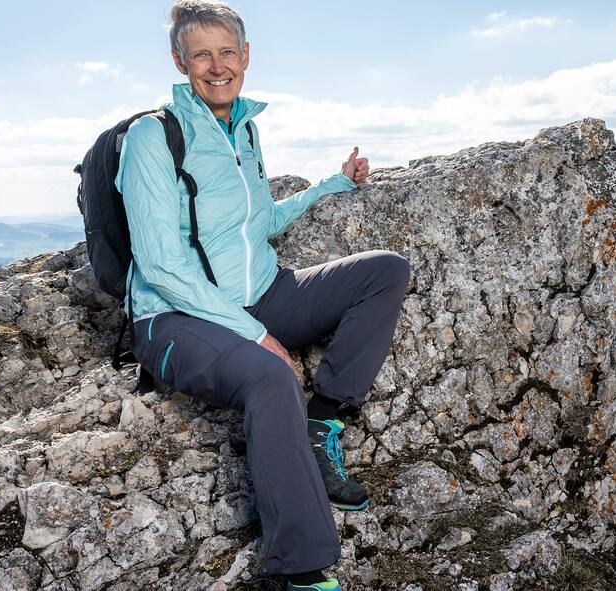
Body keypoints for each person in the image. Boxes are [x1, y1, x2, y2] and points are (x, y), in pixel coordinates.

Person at [115, 1, 410, 588]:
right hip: (177, 315)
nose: (217, 65)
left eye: (227, 52)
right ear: (180, 60)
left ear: (246, 57)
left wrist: (330, 186)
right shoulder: (153, 137)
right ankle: (301, 569)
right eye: (202, 54)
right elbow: (160, 266)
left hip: (262, 291)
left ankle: (322, 423)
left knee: (387, 270)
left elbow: (257, 223)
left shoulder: (243, 128)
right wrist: (258, 336)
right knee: (273, 376)